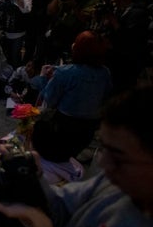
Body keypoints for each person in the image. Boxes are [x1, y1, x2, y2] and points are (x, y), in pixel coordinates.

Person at [0, 84, 153, 227]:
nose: (103, 164)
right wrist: (31, 178)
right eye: (103, 148)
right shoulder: (112, 185)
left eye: (119, 157)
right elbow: (60, 206)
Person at [32, 31, 113, 167]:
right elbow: (105, 98)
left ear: (78, 49)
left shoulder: (65, 73)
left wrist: (44, 78)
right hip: (88, 131)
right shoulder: (105, 73)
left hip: (62, 129)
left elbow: (49, 100)